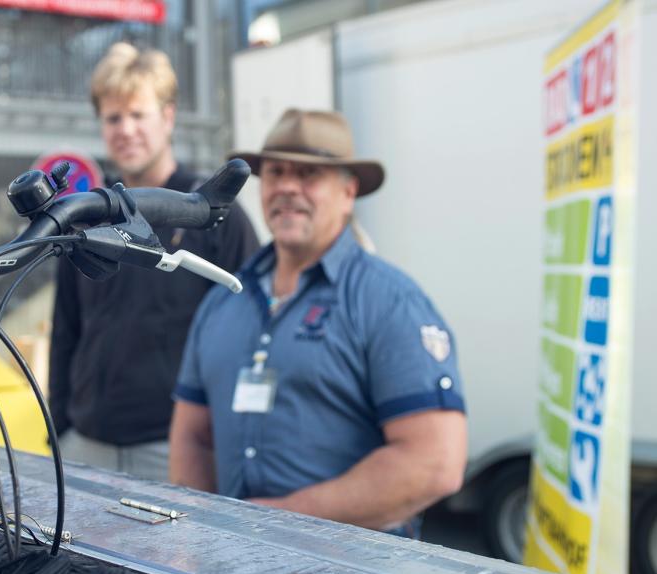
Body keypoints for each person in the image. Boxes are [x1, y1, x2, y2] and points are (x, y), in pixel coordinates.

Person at [168, 109, 467, 537]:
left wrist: (275, 522)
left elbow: (434, 464)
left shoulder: (389, 302)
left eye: (308, 174)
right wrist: (206, 536)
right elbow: (192, 438)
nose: (288, 187)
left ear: (348, 192)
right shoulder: (223, 302)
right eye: (276, 172)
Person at [49, 43, 258, 480]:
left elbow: (251, 332)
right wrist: (60, 429)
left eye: (137, 114)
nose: (125, 129)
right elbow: (66, 331)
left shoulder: (213, 214)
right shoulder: (83, 215)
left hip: (176, 451)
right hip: (86, 446)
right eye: (113, 118)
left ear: (168, 116)